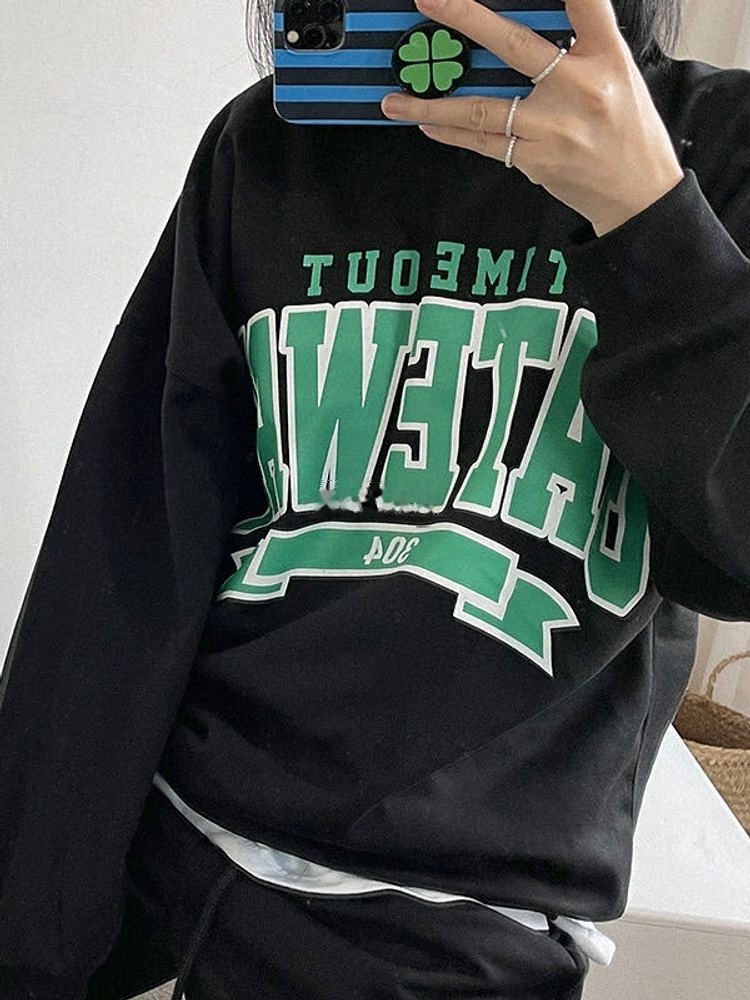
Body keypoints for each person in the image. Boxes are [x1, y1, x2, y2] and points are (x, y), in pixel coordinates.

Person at [2, 0, 749, 997]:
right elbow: (129, 548)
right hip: (189, 865)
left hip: (469, 926)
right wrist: (33, 940)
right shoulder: (267, 147)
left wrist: (649, 221)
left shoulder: (714, 148)